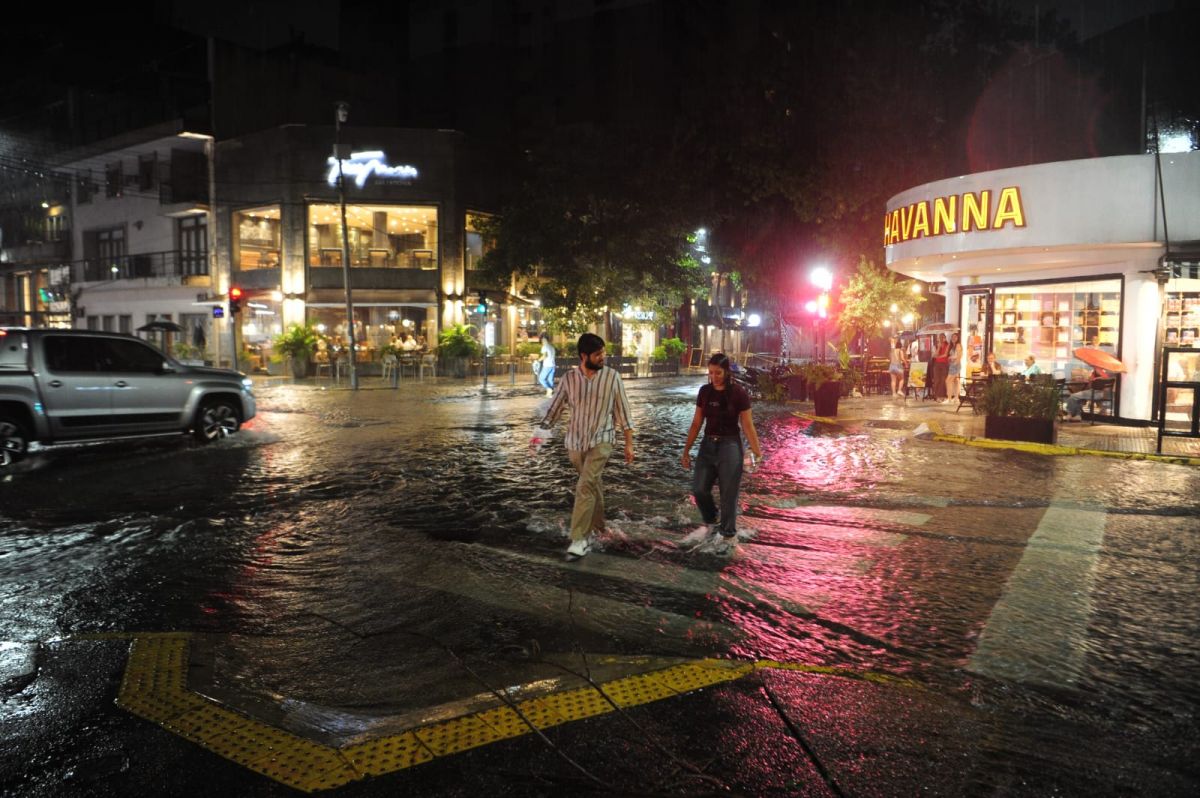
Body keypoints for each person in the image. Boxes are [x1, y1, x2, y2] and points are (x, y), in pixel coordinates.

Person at [535, 333, 634, 560]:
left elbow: (624, 413)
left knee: (585, 485)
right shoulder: (569, 379)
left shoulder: (612, 378)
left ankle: (579, 538)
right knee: (591, 484)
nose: (602, 358)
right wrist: (537, 438)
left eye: (603, 353)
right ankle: (599, 528)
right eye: (598, 354)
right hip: (575, 442)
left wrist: (629, 444)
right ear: (584, 356)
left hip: (603, 439)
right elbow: (555, 409)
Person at [681, 354, 763, 553]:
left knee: (729, 493)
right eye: (710, 372)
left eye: (718, 372)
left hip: (730, 446)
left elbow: (747, 425)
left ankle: (728, 535)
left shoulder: (739, 393)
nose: (714, 376)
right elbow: (696, 422)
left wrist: (757, 451)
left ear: (726, 372)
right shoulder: (705, 392)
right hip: (707, 445)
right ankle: (713, 521)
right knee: (699, 489)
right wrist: (686, 450)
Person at [944, 332, 963, 404]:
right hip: (952, 365)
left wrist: (953, 360)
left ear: (958, 338)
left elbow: (959, 356)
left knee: (948, 381)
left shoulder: (958, 345)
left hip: (955, 365)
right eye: (952, 337)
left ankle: (949, 398)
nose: (953, 338)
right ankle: (956, 398)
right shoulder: (952, 346)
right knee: (956, 381)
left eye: (955, 337)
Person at [931, 333, 950, 399]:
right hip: (937, 364)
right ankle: (936, 395)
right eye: (940, 337)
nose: (941, 339)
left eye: (943, 337)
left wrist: (938, 356)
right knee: (937, 379)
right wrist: (939, 347)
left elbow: (945, 354)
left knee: (943, 379)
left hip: (944, 364)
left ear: (945, 338)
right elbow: (934, 355)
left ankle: (942, 395)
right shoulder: (936, 345)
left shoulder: (947, 345)